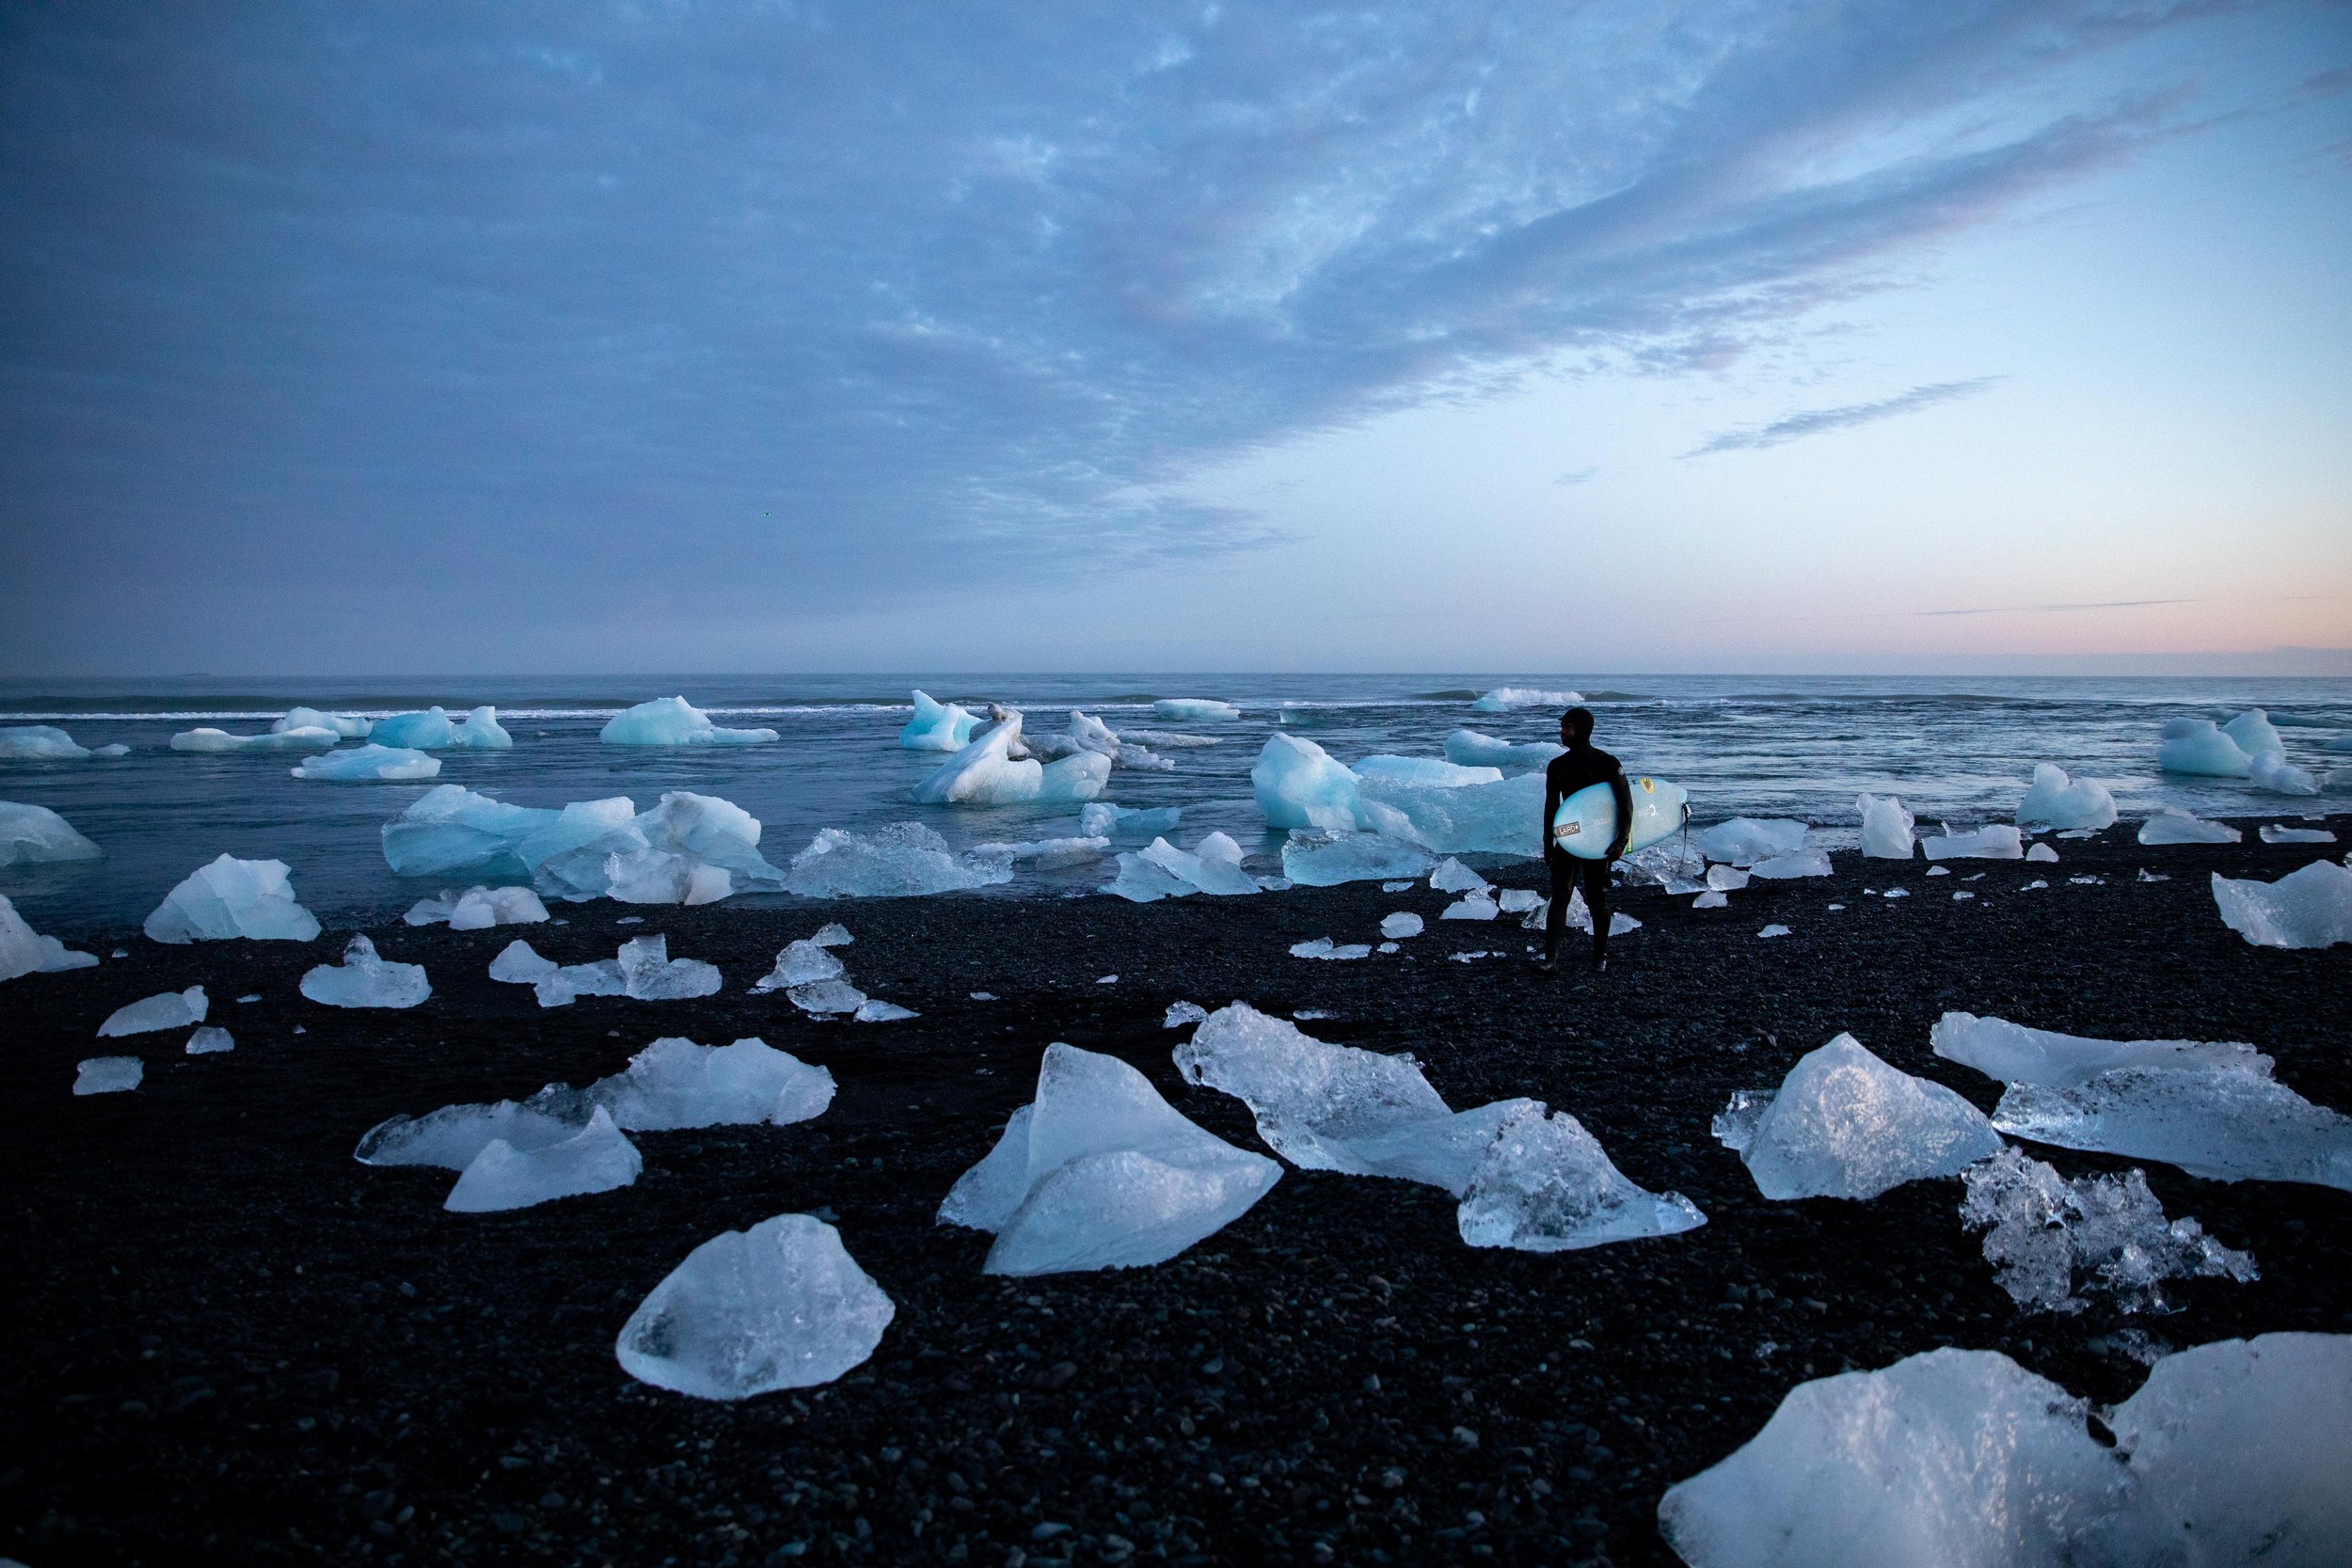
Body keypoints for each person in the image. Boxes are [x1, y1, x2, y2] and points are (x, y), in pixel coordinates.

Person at [1536, 706, 1631, 974]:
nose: (1562, 732)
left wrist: (1621, 841)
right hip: (1569, 838)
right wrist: (1549, 843)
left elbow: (1625, 804)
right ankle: (1551, 959)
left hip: (1597, 840)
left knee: (1597, 899)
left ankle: (1600, 956)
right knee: (1559, 897)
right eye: (1562, 726)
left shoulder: (1607, 763)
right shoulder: (1557, 766)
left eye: (1567, 727)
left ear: (1582, 730)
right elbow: (1551, 807)